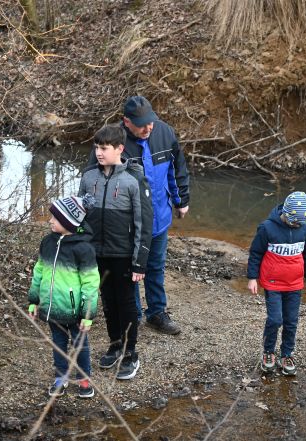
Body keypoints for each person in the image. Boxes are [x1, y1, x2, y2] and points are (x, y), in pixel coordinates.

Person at [88, 95, 190, 335]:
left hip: (158, 219)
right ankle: (132, 314)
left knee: (155, 267)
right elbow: (93, 180)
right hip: (125, 225)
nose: (148, 128)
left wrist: (181, 200)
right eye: (141, 124)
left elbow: (178, 169)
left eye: (150, 122)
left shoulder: (164, 133)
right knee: (129, 270)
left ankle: (157, 313)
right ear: (126, 121)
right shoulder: (112, 142)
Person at [79, 124, 153, 380]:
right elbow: (79, 215)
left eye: (104, 148)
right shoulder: (89, 177)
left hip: (123, 255)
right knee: (108, 301)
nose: (99, 153)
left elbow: (144, 223)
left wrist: (139, 263)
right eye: (97, 147)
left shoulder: (134, 179)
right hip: (97, 253)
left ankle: (131, 354)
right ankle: (115, 344)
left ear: (119, 149)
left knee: (126, 303)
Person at [28, 195, 100, 398]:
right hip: (52, 308)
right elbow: (39, 271)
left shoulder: (83, 249)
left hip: (75, 312)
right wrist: (34, 301)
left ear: (69, 222)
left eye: (55, 218)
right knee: (58, 344)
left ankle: (84, 379)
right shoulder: (47, 243)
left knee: (80, 346)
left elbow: (91, 284)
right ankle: (61, 378)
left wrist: (87, 314)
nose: (50, 220)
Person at [246, 191, 306, 376]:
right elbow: (255, 253)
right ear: (285, 213)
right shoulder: (267, 228)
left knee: (291, 321)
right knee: (276, 319)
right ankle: (268, 352)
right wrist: (252, 278)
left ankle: (287, 354)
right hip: (273, 283)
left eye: (299, 223)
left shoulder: (304, 228)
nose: (296, 225)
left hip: (294, 284)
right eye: (293, 222)